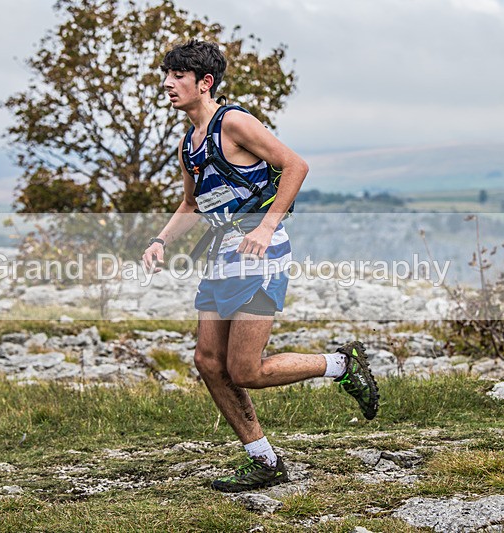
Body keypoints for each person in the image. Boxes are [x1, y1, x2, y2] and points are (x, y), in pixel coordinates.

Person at [142, 39, 379, 493]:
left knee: (246, 369)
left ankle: (340, 364)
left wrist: (267, 228)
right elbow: (191, 203)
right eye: (166, 75)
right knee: (209, 362)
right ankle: (264, 461)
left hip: (259, 254)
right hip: (221, 257)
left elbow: (295, 165)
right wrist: (160, 240)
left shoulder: (233, 122)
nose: (167, 84)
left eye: (177, 76)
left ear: (204, 83)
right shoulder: (188, 145)